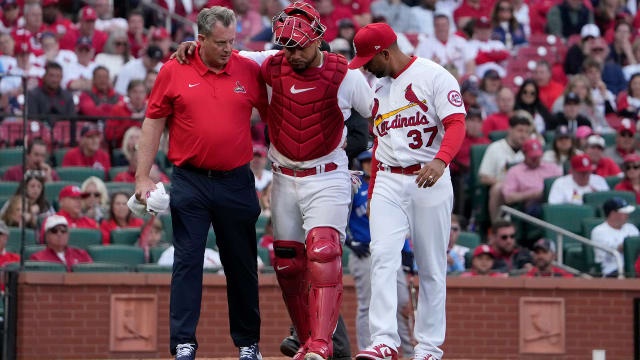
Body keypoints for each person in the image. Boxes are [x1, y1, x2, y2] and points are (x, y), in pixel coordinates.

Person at [137, 7, 268, 360]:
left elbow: (273, 112)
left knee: (241, 264)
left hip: (237, 180)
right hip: (191, 180)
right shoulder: (174, 69)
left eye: (233, 41)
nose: (229, 48)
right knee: (187, 261)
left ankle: (247, 344)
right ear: (202, 40)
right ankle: (184, 343)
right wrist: (141, 174)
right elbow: (153, 121)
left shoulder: (247, 67)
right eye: (222, 42)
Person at [348, 21, 466, 360]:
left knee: (430, 266)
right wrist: (371, 194)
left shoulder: (434, 76)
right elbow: (380, 146)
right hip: (387, 179)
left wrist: (442, 160)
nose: (365, 66)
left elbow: (457, 123)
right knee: (382, 256)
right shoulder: (378, 88)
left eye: (369, 60)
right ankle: (384, 340)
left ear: (385, 52)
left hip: (429, 179)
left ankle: (428, 347)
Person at [478, 115, 530, 223]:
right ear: (510, 130)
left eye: (526, 132)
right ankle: (497, 226)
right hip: (503, 189)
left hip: (525, 189)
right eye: (520, 130)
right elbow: (483, 177)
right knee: (497, 188)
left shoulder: (530, 150)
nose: (523, 135)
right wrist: (506, 183)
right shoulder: (495, 148)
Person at [502, 138, 563, 217]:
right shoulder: (514, 171)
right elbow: (508, 197)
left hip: (555, 200)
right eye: (532, 157)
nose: (536, 159)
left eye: (537, 156)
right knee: (541, 210)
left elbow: (563, 185)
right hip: (532, 204)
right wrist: (532, 195)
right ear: (524, 154)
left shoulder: (552, 167)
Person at [591, 197, 639, 277]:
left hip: (633, 267)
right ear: (613, 214)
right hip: (612, 269)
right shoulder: (599, 231)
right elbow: (605, 256)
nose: (627, 215)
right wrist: (628, 245)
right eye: (624, 212)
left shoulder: (631, 228)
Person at [106, 79, 146, 149]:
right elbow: (110, 135)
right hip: (123, 151)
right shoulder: (117, 110)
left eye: (141, 92)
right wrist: (130, 121)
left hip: (146, 150)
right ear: (128, 93)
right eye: (134, 92)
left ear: (146, 94)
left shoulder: (151, 110)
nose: (138, 95)